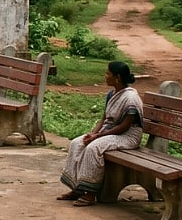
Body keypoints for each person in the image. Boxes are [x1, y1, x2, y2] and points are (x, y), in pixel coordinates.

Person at [57, 61, 143, 206]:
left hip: (127, 136)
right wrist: (93, 133)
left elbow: (124, 126)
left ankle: (90, 193)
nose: (105, 76)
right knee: (77, 143)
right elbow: (104, 118)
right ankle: (77, 188)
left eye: (107, 74)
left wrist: (98, 137)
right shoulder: (112, 94)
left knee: (93, 148)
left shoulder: (131, 99)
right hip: (108, 132)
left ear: (117, 78)